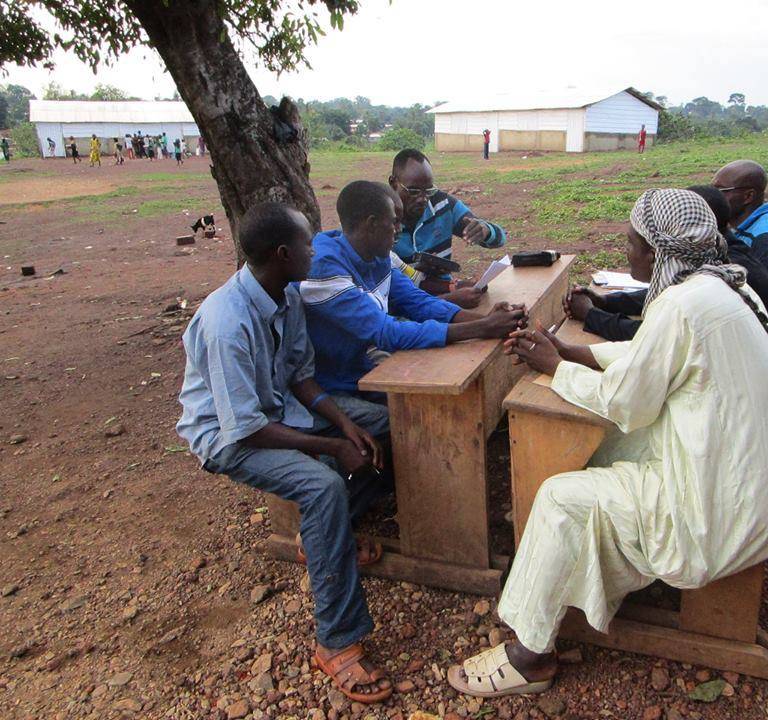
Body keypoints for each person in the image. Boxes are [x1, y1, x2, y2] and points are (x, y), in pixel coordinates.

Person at [446, 189, 768, 697]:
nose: (627, 251)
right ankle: (563, 569)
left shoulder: (682, 305)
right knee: (613, 450)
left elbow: (629, 401)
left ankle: (530, 656)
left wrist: (557, 367)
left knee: (559, 498)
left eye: (633, 242)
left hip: (721, 515)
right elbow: (648, 355)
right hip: (758, 495)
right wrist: (573, 351)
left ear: (658, 251)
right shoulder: (724, 287)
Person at [176, 201, 395, 705]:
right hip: (228, 437)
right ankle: (336, 642)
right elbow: (246, 428)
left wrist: (344, 425)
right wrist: (333, 446)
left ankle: (324, 541)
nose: (314, 250)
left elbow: (299, 376)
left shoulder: (287, 295)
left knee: (385, 427)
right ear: (282, 253)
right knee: (321, 487)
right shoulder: (226, 322)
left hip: (278, 414)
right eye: (306, 243)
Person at [299, 181, 528, 397]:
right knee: (432, 410)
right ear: (371, 224)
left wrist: (488, 320)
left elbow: (418, 302)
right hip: (338, 385)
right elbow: (386, 332)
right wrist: (482, 327)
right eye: (395, 222)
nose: (399, 231)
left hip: (364, 361)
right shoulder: (325, 268)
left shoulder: (377, 254)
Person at [565, 185, 768, 375]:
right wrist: (607, 302)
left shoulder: (699, 292)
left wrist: (587, 321)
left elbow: (651, 349)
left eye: (631, 242)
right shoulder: (721, 264)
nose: (626, 251)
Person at [389, 149, 507, 305]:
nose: (422, 199)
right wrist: (451, 292)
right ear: (393, 183)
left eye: (428, 191)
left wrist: (485, 231)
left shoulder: (443, 205)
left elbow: (500, 238)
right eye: (414, 191)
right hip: (405, 302)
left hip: (444, 292)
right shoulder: (382, 221)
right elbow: (385, 286)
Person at [712, 160, 768, 312]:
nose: (715, 198)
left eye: (721, 191)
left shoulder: (766, 238)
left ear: (748, 196)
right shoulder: (746, 228)